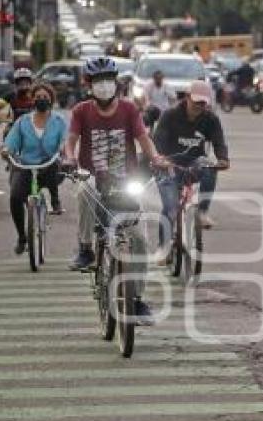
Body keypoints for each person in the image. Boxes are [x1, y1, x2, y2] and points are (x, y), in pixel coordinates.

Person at [64, 56, 167, 323]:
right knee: (84, 186)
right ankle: (86, 248)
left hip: (125, 181)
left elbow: (144, 139)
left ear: (116, 83)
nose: (104, 86)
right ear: (89, 85)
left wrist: (155, 158)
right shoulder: (81, 111)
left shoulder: (129, 110)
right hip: (93, 177)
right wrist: (69, 159)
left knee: (140, 240)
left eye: (108, 80)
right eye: (98, 81)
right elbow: (71, 141)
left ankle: (137, 299)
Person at [153, 80, 229, 254]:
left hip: (194, 164)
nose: (199, 107)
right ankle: (163, 247)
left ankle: (202, 211)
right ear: (187, 98)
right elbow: (158, 140)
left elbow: (219, 142)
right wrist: (161, 159)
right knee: (171, 207)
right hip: (168, 165)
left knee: (209, 166)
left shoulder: (210, 119)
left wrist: (223, 159)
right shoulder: (170, 115)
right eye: (196, 102)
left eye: (203, 103)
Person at [2, 82, 67, 253]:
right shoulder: (23, 122)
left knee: (54, 167)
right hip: (25, 167)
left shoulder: (59, 121)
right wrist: (6, 150)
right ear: (32, 100)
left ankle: (55, 200)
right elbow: (11, 143)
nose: (41, 100)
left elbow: (65, 141)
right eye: (38, 97)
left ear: (51, 100)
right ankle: (22, 238)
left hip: (49, 166)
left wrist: (63, 149)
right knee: (15, 196)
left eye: (45, 97)